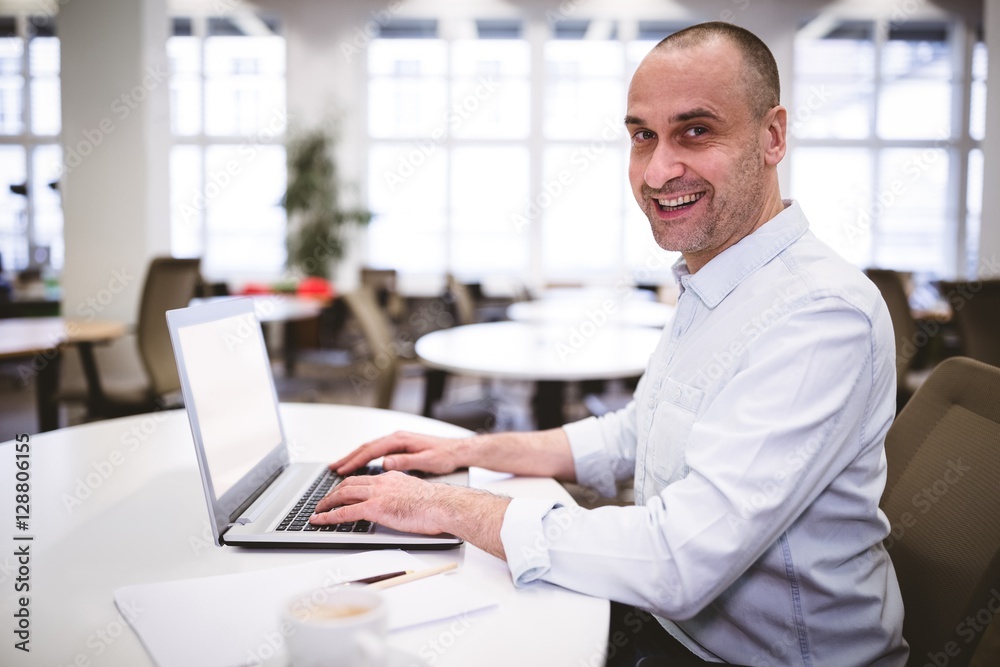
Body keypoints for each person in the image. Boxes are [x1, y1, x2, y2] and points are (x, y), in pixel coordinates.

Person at [311, 21, 908, 666]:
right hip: (677, 633)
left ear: (772, 137)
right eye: (643, 136)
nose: (658, 170)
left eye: (696, 131)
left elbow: (675, 561)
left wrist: (449, 506)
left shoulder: (818, 314)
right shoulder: (718, 280)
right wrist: (466, 451)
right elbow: (632, 435)